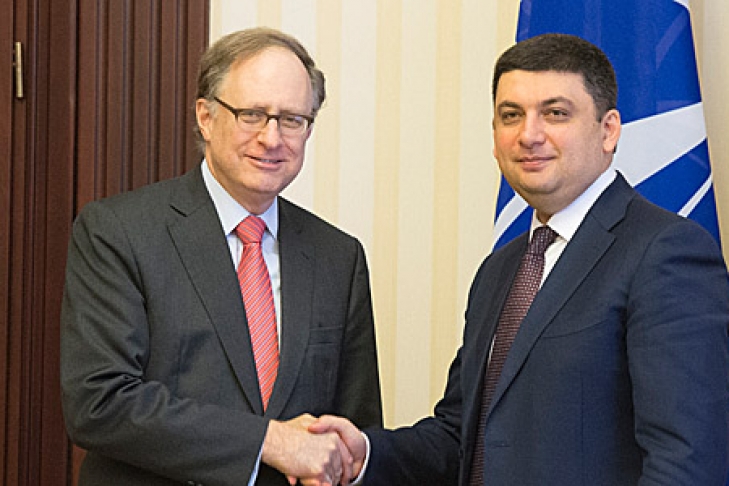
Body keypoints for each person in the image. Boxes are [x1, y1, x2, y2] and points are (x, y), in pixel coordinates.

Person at [312, 33, 729, 485]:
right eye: (511, 115)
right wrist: (366, 454)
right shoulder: (500, 269)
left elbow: (687, 461)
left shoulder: (664, 252)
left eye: (555, 113)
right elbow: (462, 436)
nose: (529, 135)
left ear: (608, 130)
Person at [60, 27, 382, 486]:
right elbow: (99, 404)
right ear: (206, 117)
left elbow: (353, 431)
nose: (272, 138)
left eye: (292, 119)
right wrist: (268, 441)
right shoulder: (119, 232)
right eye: (252, 114)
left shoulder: (338, 257)